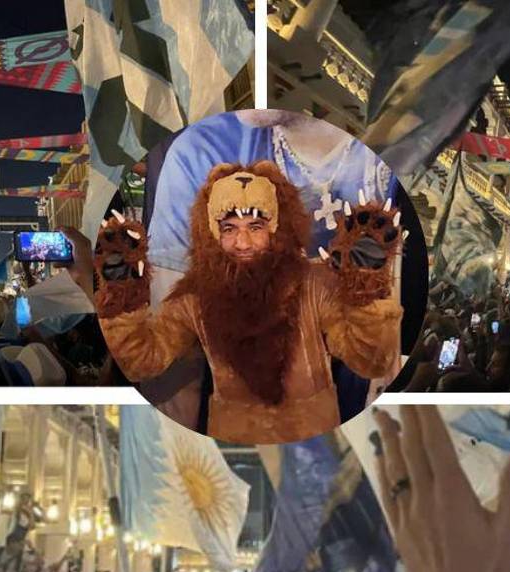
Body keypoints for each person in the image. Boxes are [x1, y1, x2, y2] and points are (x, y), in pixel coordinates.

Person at [95, 162, 403, 442]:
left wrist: (365, 288)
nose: (242, 243)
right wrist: (122, 296)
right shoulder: (196, 296)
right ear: (212, 233)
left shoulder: (313, 282)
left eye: (255, 228)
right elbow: (142, 360)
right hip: (235, 443)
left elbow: (369, 360)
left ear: (276, 228)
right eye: (229, 229)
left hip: (316, 442)